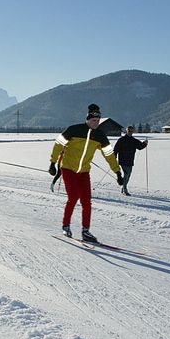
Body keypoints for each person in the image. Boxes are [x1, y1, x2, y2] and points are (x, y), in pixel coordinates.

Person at [48, 103, 122, 243]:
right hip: (68, 168)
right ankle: (66, 225)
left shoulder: (100, 135)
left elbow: (109, 154)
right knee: (73, 197)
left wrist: (117, 172)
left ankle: (85, 231)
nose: (96, 123)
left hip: (84, 172)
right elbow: (58, 144)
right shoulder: (74, 130)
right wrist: (52, 163)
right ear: (87, 119)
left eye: (98, 121)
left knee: (87, 202)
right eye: (93, 120)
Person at [114, 125, 148, 196]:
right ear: (126, 131)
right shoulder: (121, 140)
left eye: (131, 131)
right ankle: (125, 188)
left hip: (130, 160)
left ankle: (123, 186)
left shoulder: (134, 140)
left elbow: (140, 146)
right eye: (129, 131)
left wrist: (145, 143)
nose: (130, 132)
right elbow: (116, 148)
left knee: (128, 175)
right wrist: (114, 156)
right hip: (123, 160)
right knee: (126, 174)